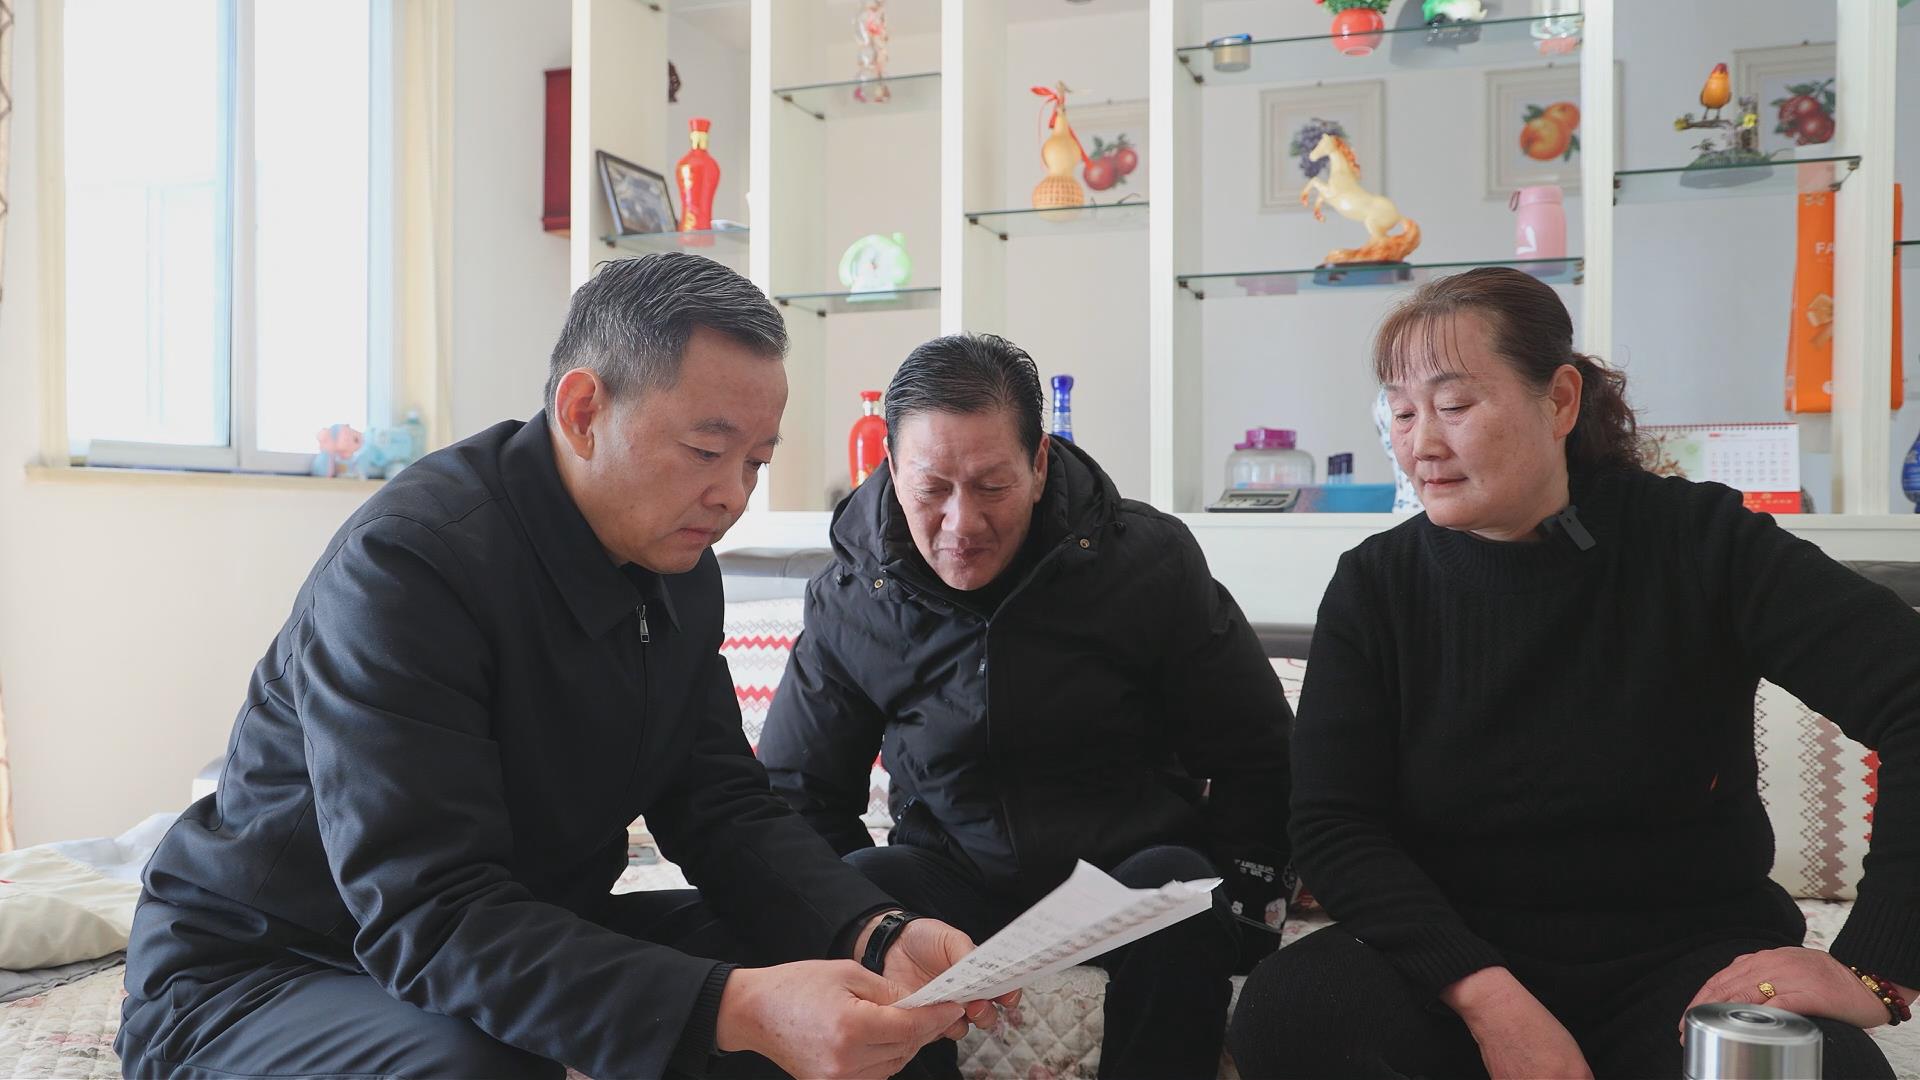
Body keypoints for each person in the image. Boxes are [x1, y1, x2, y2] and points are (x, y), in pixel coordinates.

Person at [116, 254, 1010, 1080]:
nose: (733, 495)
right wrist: (737, 1008)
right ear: (583, 411)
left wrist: (874, 932)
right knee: (485, 1066)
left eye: (756, 462)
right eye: (707, 452)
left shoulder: (677, 566)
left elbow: (718, 804)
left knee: (861, 975)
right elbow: (429, 915)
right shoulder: (408, 567)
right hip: (268, 972)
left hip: (513, 929)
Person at [1226, 266, 1915, 1079]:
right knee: (1291, 1012)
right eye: (1402, 413)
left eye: (1455, 406)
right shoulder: (1377, 584)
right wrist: (1491, 1002)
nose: (1422, 445)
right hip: (1453, 958)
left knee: (1820, 1070)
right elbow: (1335, 824)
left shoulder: (1696, 541)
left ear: (1559, 400)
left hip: (1688, 960)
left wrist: (1878, 966)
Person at [759, 333, 1293, 1080]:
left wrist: (1249, 902)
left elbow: (1257, 750)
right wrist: (846, 910)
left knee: (1182, 894)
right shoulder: (853, 595)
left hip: (1127, 870)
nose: (962, 524)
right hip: (953, 873)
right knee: (867, 886)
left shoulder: (1149, 561)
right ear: (891, 468)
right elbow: (799, 791)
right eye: (932, 489)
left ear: (1039, 464)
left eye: (991, 486)